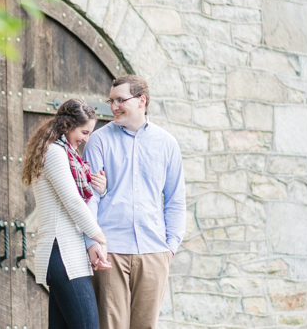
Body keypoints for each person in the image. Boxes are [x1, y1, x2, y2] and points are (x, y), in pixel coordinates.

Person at [84, 75, 186, 329]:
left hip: (154, 251)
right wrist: (92, 241)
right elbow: (90, 195)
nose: (114, 106)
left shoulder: (167, 143)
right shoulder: (99, 140)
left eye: (121, 100)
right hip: (111, 250)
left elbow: (175, 199)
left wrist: (170, 245)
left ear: (142, 101)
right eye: (111, 100)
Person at [22, 99, 112, 329]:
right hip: (62, 252)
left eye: (90, 133)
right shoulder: (55, 153)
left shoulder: (65, 154)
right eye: (84, 131)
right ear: (67, 124)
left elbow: (73, 196)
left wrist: (97, 189)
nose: (86, 139)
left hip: (66, 252)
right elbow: (72, 201)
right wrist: (99, 238)